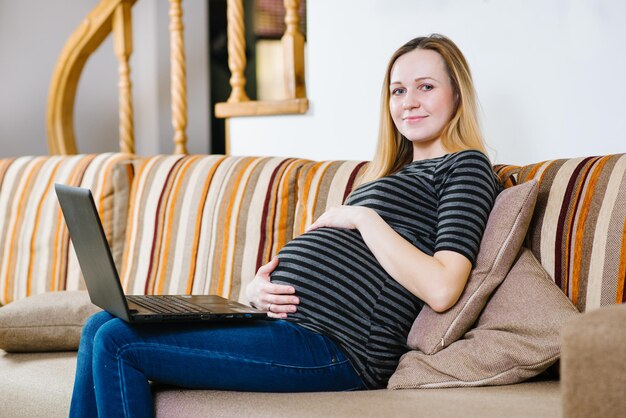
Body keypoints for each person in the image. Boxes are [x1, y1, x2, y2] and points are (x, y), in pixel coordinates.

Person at [70, 34, 500, 417]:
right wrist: (254, 294)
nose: (409, 101)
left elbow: (443, 287)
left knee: (118, 343)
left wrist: (363, 217)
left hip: (338, 350)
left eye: (426, 87)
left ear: (457, 94)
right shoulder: (387, 174)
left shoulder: (466, 167)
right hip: (279, 325)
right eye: (398, 90)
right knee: (98, 326)